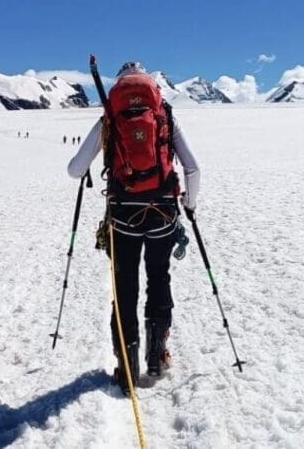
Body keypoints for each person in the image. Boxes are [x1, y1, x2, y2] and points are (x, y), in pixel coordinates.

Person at [66, 61, 200, 394]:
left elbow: (74, 169)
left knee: (125, 287)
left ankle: (127, 367)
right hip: (163, 213)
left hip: (123, 216)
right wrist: (190, 205)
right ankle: (157, 356)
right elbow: (193, 169)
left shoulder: (111, 117)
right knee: (159, 277)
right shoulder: (165, 115)